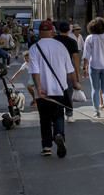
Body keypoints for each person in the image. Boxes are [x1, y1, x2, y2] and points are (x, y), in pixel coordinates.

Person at [27, 19, 76, 158]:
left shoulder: (34, 48)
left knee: (44, 118)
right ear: (52, 31)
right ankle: (59, 134)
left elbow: (35, 70)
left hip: (43, 91)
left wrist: (39, 87)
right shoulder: (60, 46)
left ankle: (46, 146)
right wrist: (76, 83)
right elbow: (69, 69)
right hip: (60, 89)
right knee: (58, 115)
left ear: (39, 32)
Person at [82, 19, 104, 116]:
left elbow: (86, 55)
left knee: (95, 88)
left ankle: (96, 110)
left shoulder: (90, 38)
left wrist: (84, 68)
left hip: (94, 65)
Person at [54, 21, 81, 119]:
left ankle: (57, 112)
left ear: (58, 30)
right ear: (69, 30)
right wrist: (77, 73)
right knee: (68, 91)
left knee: (55, 91)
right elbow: (76, 58)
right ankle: (69, 114)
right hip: (67, 70)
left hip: (54, 69)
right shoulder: (72, 41)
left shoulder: (54, 40)